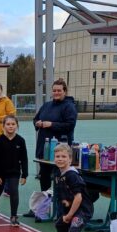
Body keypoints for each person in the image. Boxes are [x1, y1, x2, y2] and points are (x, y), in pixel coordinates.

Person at [28, 79, 77, 210]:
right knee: (44, 175)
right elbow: (36, 118)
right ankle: (45, 206)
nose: (56, 93)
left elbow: (70, 125)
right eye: (54, 90)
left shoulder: (69, 106)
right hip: (44, 147)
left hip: (60, 149)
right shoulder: (47, 105)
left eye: (59, 90)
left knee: (60, 178)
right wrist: (37, 123)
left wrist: (51, 124)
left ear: (65, 91)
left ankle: (61, 206)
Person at [47, 143, 94, 232]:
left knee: (74, 231)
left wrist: (69, 215)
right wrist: (64, 212)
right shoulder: (57, 172)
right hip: (70, 208)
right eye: (57, 156)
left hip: (82, 210)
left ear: (70, 159)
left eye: (63, 156)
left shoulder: (72, 175)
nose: (60, 159)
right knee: (59, 224)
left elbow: (78, 198)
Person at [0, 115, 28, 226]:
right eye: (8, 124)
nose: (11, 126)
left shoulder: (20, 141)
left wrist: (24, 175)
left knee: (14, 193)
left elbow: (24, 158)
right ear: (3, 126)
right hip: (0, 173)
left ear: (17, 126)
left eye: (13, 124)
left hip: (14, 173)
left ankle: (13, 216)